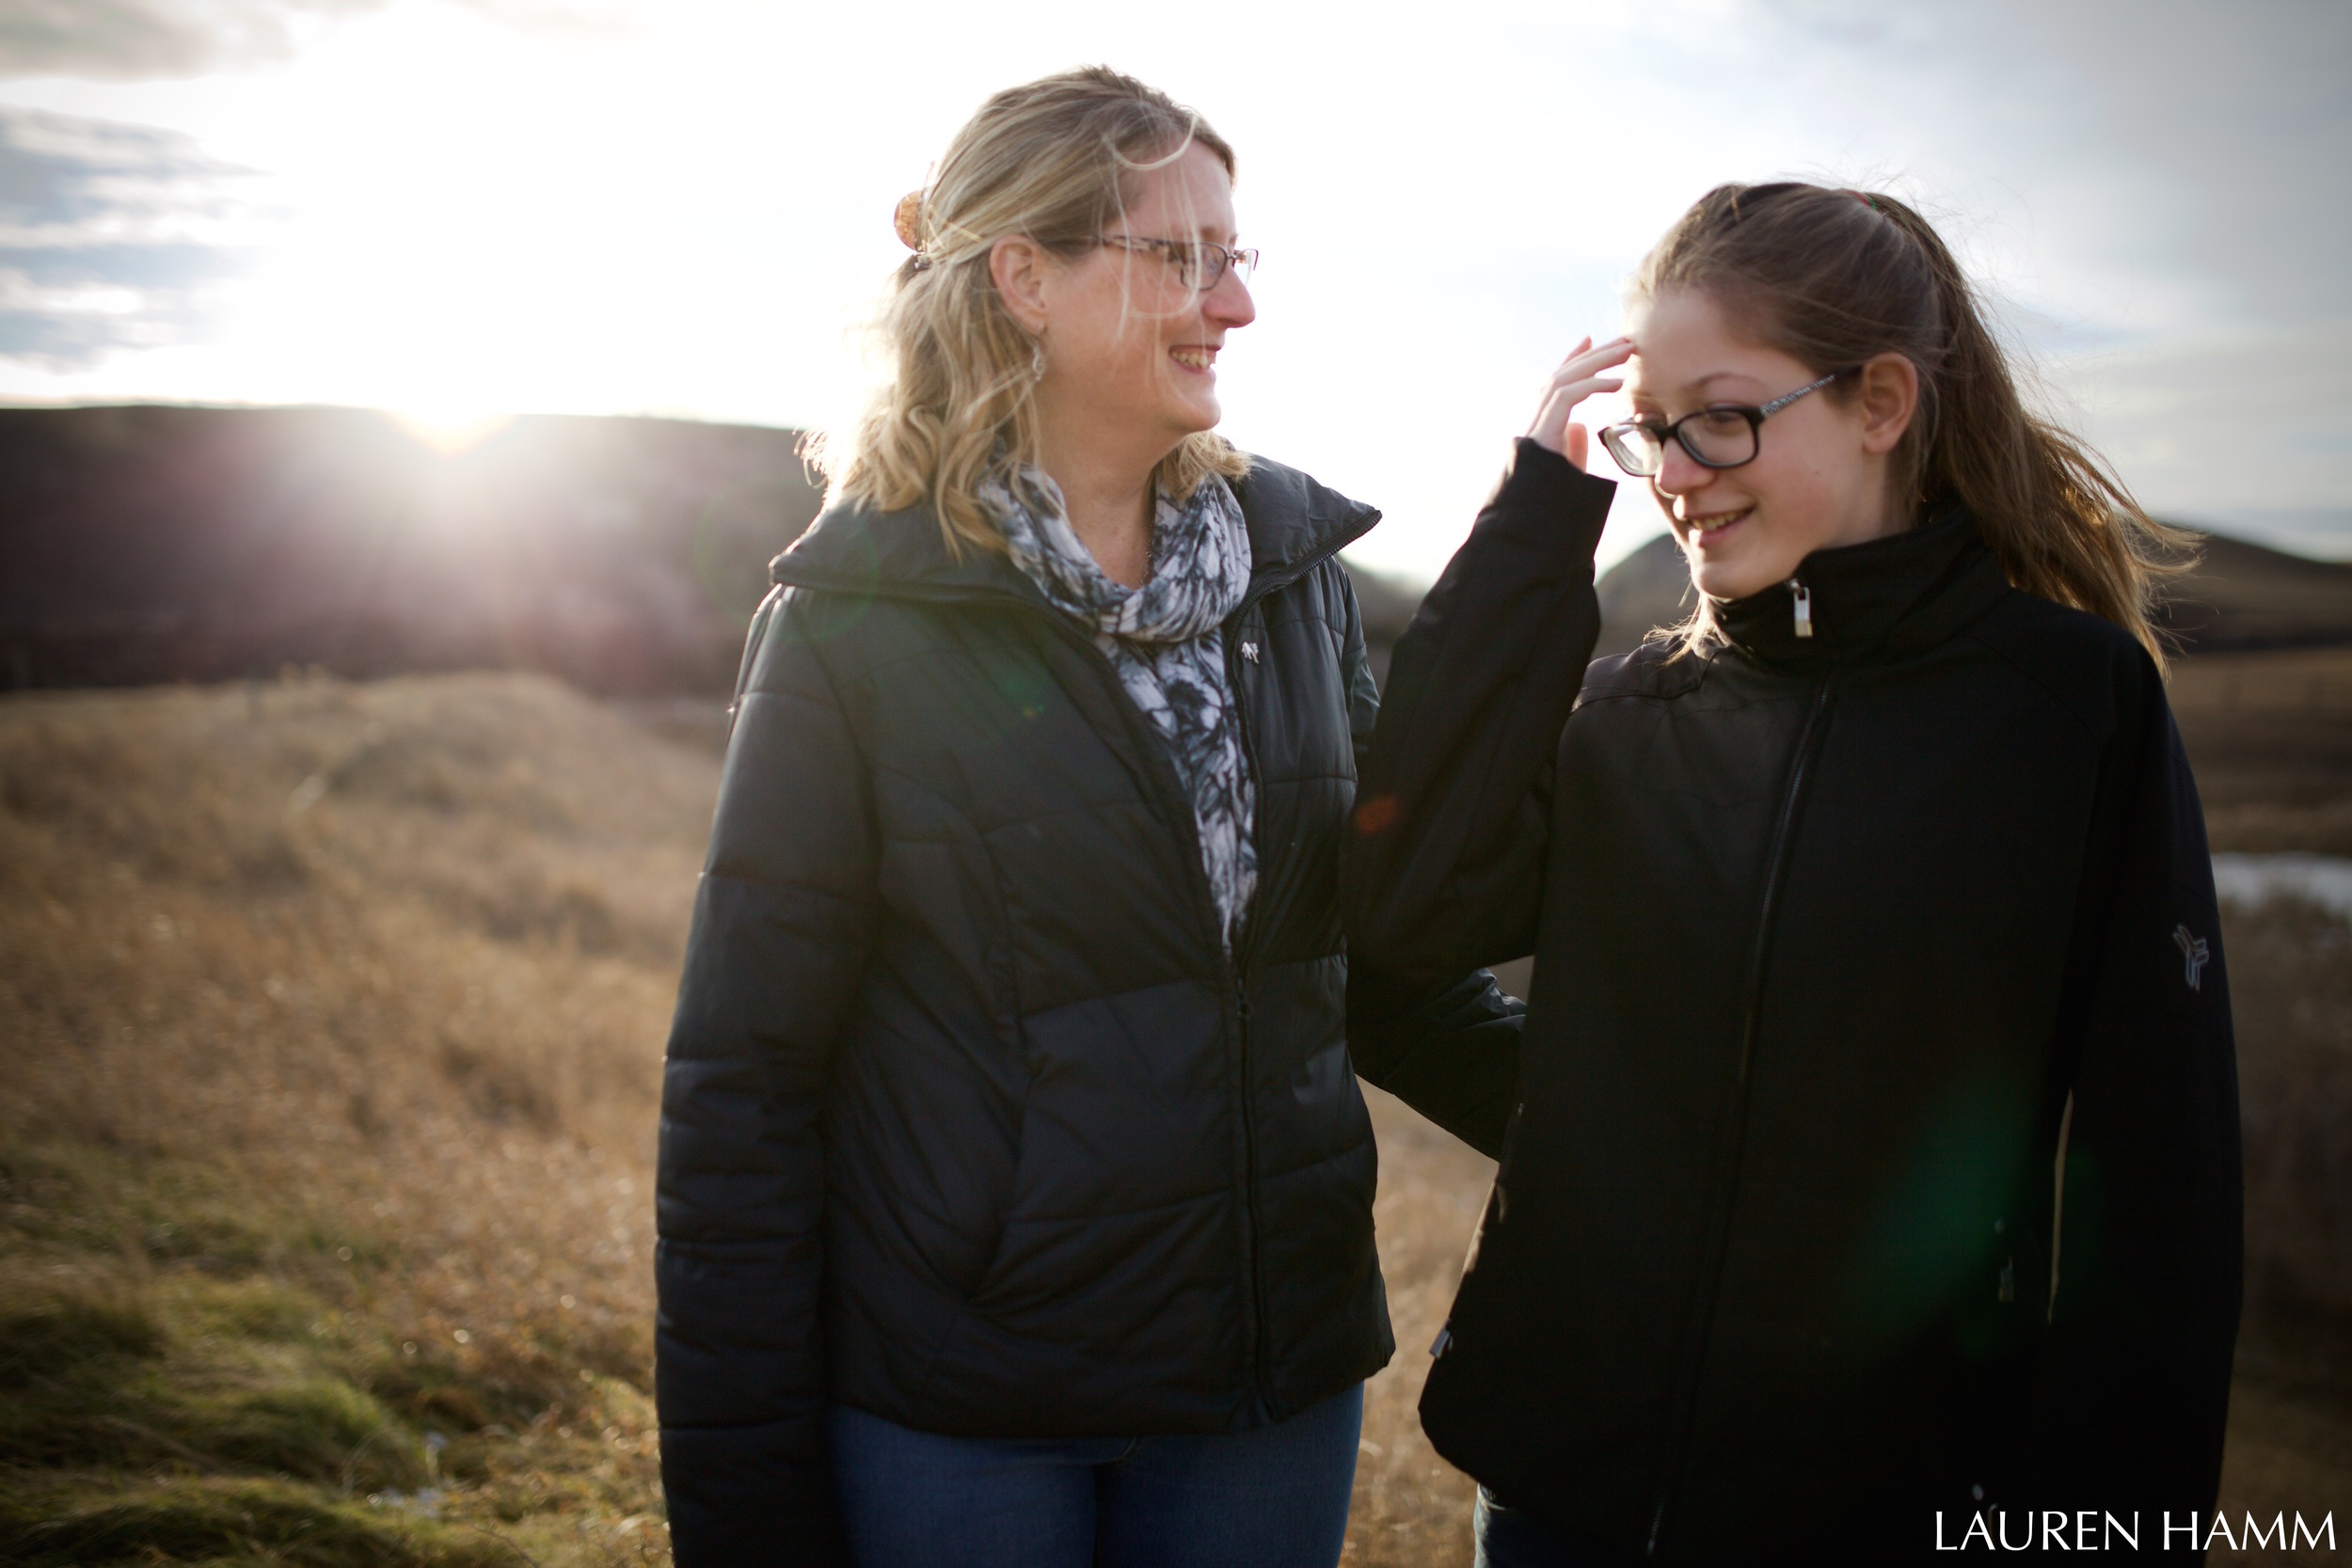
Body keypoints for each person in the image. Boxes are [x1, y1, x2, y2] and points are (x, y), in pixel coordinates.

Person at [654, 67, 1514, 1568]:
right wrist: (742, 1506)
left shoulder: (1286, 580)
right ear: (1024, 279)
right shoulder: (858, 622)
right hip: (967, 1409)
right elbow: (747, 1086)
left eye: (1236, 256)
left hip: (1267, 1386)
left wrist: (1646, 1137)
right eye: (1179, 257)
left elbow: (1379, 968)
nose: (1232, 304)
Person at [1343, 182, 2242, 1564]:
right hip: (1555, 1495)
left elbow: (2160, 1177)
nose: (1681, 472)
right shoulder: (1635, 715)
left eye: (1723, 415)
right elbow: (1399, 930)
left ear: (1881, 402)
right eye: (1654, 432)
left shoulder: (2069, 714)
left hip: (1882, 1506)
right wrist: (1536, 522)